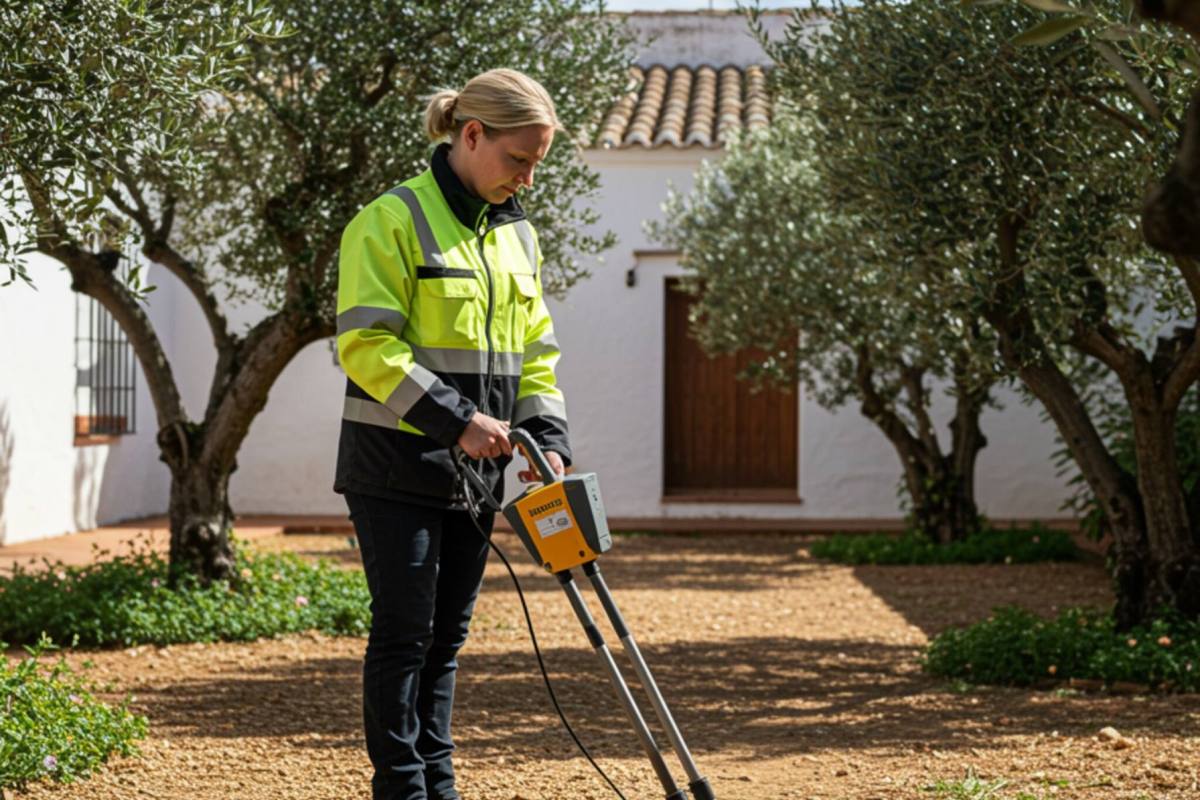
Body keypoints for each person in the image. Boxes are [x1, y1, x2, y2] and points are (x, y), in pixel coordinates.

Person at [333, 68, 572, 800]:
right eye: (518, 160)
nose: (527, 180)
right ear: (472, 135)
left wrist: (547, 434)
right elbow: (366, 346)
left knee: (447, 642)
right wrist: (457, 420)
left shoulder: (517, 236)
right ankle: (402, 790)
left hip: (478, 477)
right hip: (395, 466)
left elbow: (536, 349)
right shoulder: (391, 220)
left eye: (537, 164)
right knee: (404, 637)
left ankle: (440, 784)